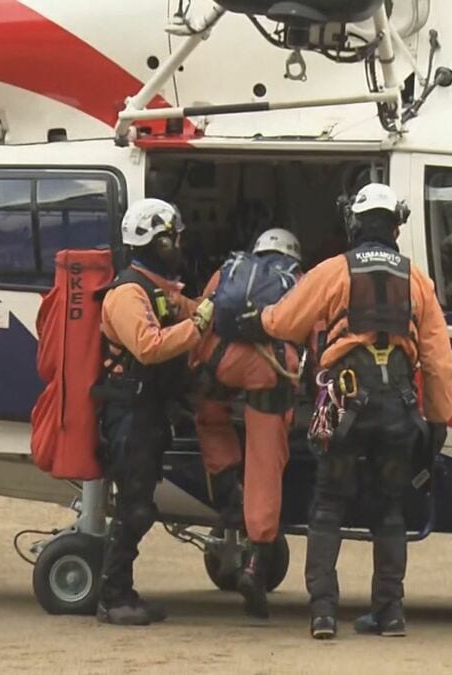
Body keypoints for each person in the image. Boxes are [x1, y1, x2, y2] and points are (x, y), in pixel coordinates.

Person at [240, 183, 452, 639]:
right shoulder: (417, 280)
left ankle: (322, 613)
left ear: (355, 224)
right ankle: (390, 613)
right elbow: (437, 360)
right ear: (395, 228)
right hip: (398, 409)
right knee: (390, 510)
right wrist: (437, 421)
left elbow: (284, 321)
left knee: (328, 506)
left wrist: (254, 320)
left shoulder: (334, 270)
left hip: (343, 407)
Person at [94, 198, 215, 626]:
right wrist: (199, 325)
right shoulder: (128, 293)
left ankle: (120, 591)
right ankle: (113, 597)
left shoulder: (158, 291)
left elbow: (188, 308)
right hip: (129, 414)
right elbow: (149, 346)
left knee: (138, 504)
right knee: (134, 507)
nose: (179, 245)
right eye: (173, 238)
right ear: (159, 242)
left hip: (146, 411)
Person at [191, 228, 302, 619]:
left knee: (209, 416)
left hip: (219, 360)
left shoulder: (230, 269)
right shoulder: (297, 279)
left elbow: (202, 314)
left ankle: (227, 487)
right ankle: (256, 562)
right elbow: (313, 329)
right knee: (265, 462)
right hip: (269, 371)